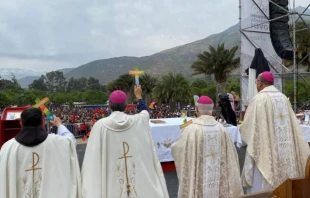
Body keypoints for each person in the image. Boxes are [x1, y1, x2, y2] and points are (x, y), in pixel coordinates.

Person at [82, 85, 169, 198]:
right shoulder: (138, 120)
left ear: (109, 106)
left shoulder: (100, 125)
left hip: (110, 183)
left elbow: (92, 159)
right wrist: (139, 97)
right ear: (126, 106)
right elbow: (145, 112)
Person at [240, 71, 310, 193]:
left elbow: (249, 127)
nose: (256, 84)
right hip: (285, 149)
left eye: (257, 81)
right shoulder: (283, 98)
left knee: (263, 181)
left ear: (261, 83)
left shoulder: (259, 99)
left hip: (265, 149)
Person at [171, 96, 243, 198]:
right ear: (212, 109)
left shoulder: (191, 129)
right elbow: (231, 157)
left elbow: (177, 148)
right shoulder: (221, 129)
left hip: (199, 180)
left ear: (196, 109)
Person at [0, 108, 81, 198]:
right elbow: (71, 141)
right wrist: (59, 124)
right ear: (43, 123)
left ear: (21, 123)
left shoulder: (7, 148)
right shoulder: (58, 142)